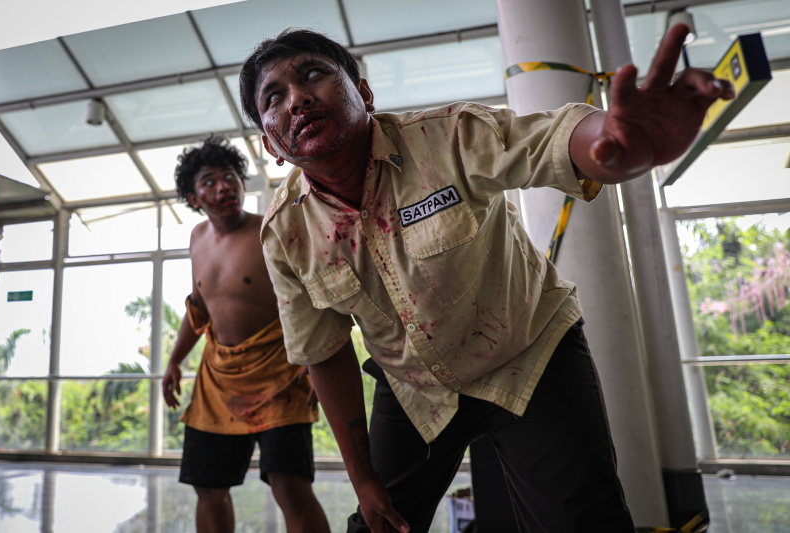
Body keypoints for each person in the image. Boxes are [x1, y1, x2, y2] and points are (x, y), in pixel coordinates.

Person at [239, 25, 733, 533]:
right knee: (377, 525)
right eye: (273, 97)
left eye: (314, 75)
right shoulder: (286, 233)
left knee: (581, 521)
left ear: (363, 92)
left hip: (530, 356)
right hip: (411, 383)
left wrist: (613, 140)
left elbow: (548, 139)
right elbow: (324, 351)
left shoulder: (447, 136)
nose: (296, 99)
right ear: (270, 144)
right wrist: (362, 478)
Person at [162, 136, 331, 533]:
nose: (223, 186)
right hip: (218, 382)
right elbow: (198, 306)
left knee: (290, 488)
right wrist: (174, 360)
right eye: (209, 181)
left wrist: (316, 362)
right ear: (193, 197)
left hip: (282, 374)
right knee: (209, 488)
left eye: (230, 176)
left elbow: (316, 295)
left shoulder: (269, 231)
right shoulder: (197, 240)